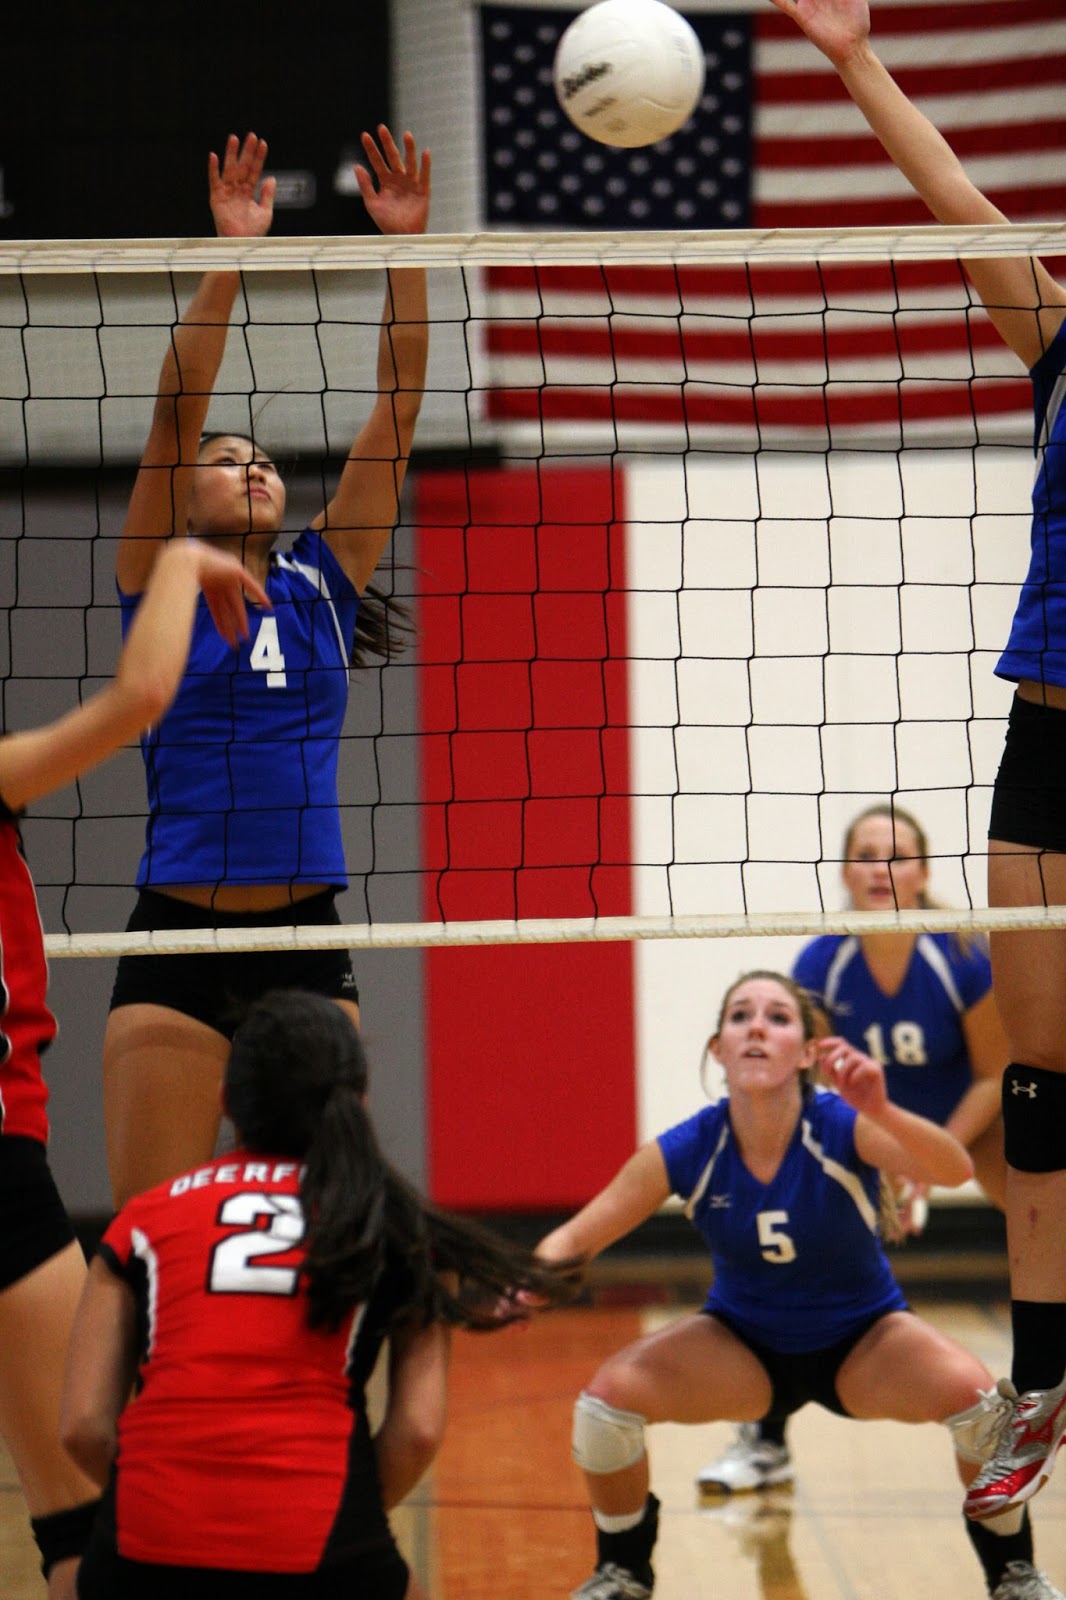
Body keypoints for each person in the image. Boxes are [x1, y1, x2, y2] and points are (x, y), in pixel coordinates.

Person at [767, 0, 1066, 1525]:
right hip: (1047, 741)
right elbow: (967, 210)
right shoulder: (1061, 342)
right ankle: (1045, 1376)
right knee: (1038, 1091)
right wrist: (852, 61)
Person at [102, 126, 431, 1210]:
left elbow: (394, 408)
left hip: (305, 939)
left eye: (265, 460)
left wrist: (405, 252)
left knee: (330, 1234)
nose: (249, 467)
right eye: (227, 460)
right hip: (177, 937)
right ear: (187, 494)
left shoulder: (321, 580)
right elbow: (171, 415)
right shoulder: (159, 575)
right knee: (151, 1238)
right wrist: (233, 255)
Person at [537, 972, 1061, 1600]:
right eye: (740, 1016)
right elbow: (573, 1240)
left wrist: (881, 1108)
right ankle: (623, 1572)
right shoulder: (690, 1146)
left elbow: (950, 1168)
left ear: (809, 1052)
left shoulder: (840, 1125)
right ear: (717, 1049)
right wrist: (525, 1281)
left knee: (985, 1412)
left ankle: (1013, 1575)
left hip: (864, 1341)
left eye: (779, 1017)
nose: (757, 1026)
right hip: (741, 1348)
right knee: (602, 1411)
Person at [60, 989, 579, 1599]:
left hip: (141, 1547)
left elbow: (84, 1428)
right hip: (320, 1544)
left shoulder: (142, 1222)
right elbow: (416, 1430)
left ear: (226, 1101)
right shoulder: (395, 1227)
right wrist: (347, 1515)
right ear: (358, 1100)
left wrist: (156, 1511)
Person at [0, 538, 268, 1600]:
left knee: (83, 1522)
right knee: (91, 1528)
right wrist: (184, 562)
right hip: (3, 1172)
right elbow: (143, 695)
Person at [698, 802, 1009, 1494]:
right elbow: (800, 1080)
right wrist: (869, 1167)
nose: (882, 868)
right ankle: (766, 1439)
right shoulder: (823, 962)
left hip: (965, 1118)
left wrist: (927, 1164)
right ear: (845, 871)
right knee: (800, 1234)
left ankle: (1044, 1384)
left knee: (1043, 1216)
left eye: (898, 855)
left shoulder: (962, 952)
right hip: (864, 1126)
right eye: (868, 854)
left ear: (924, 871)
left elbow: (994, 1074)